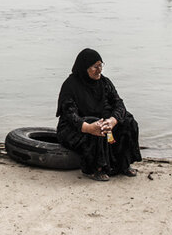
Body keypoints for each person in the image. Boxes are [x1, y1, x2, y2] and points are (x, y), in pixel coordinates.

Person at [56, 48, 141, 181]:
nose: (99, 70)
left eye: (101, 65)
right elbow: (69, 114)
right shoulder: (70, 85)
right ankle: (95, 169)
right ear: (84, 68)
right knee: (96, 124)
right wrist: (88, 127)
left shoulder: (105, 83)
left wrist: (112, 121)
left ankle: (123, 164)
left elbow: (119, 104)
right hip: (75, 128)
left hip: (103, 122)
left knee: (128, 121)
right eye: (95, 67)